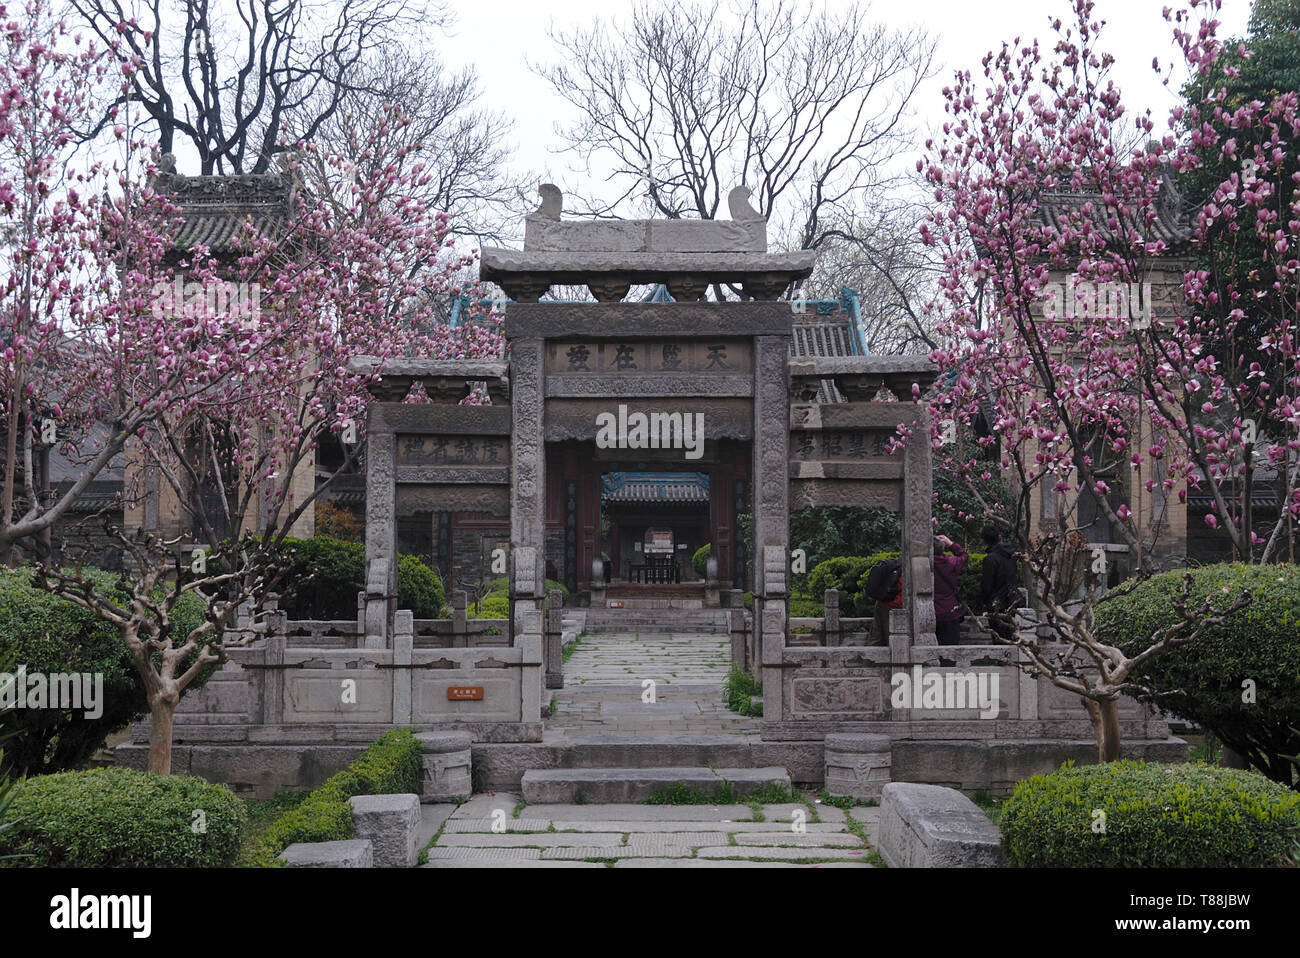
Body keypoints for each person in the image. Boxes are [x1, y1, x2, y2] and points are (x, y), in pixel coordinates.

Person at [979, 525, 1019, 641]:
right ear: (999, 537)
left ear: (983, 540)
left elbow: (986, 586)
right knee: (1010, 637)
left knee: (999, 638)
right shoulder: (1010, 556)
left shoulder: (990, 559)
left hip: (996, 604)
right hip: (1011, 600)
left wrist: (985, 602)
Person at [932, 534, 968, 645]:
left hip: (929, 612)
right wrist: (951, 543)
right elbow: (964, 556)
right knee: (950, 648)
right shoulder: (951, 562)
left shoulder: (921, 563)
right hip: (950, 611)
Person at [862, 557, 903, 646]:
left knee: (875, 638)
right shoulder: (907, 569)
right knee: (894, 643)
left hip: (881, 603)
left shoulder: (897, 565)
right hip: (894, 608)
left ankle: (869, 658)